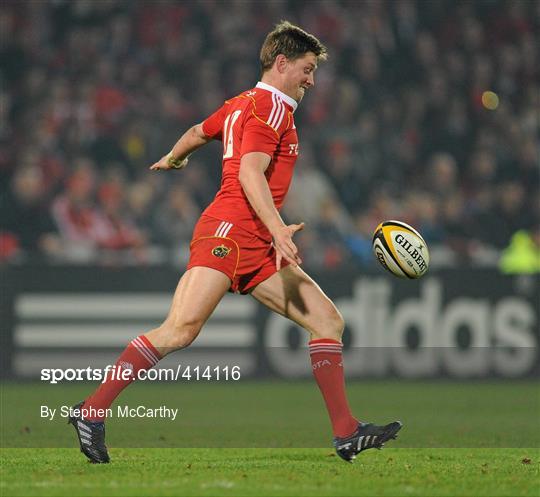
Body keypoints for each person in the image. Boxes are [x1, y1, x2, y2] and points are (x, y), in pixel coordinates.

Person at [69, 21, 401, 464]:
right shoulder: (273, 109)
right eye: (306, 69)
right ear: (281, 63)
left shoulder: (241, 102)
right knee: (179, 330)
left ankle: (345, 431)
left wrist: (174, 158)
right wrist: (279, 229)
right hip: (229, 230)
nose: (311, 80)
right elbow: (249, 173)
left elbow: (196, 131)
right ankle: (92, 410)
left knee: (327, 321)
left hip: (255, 240)